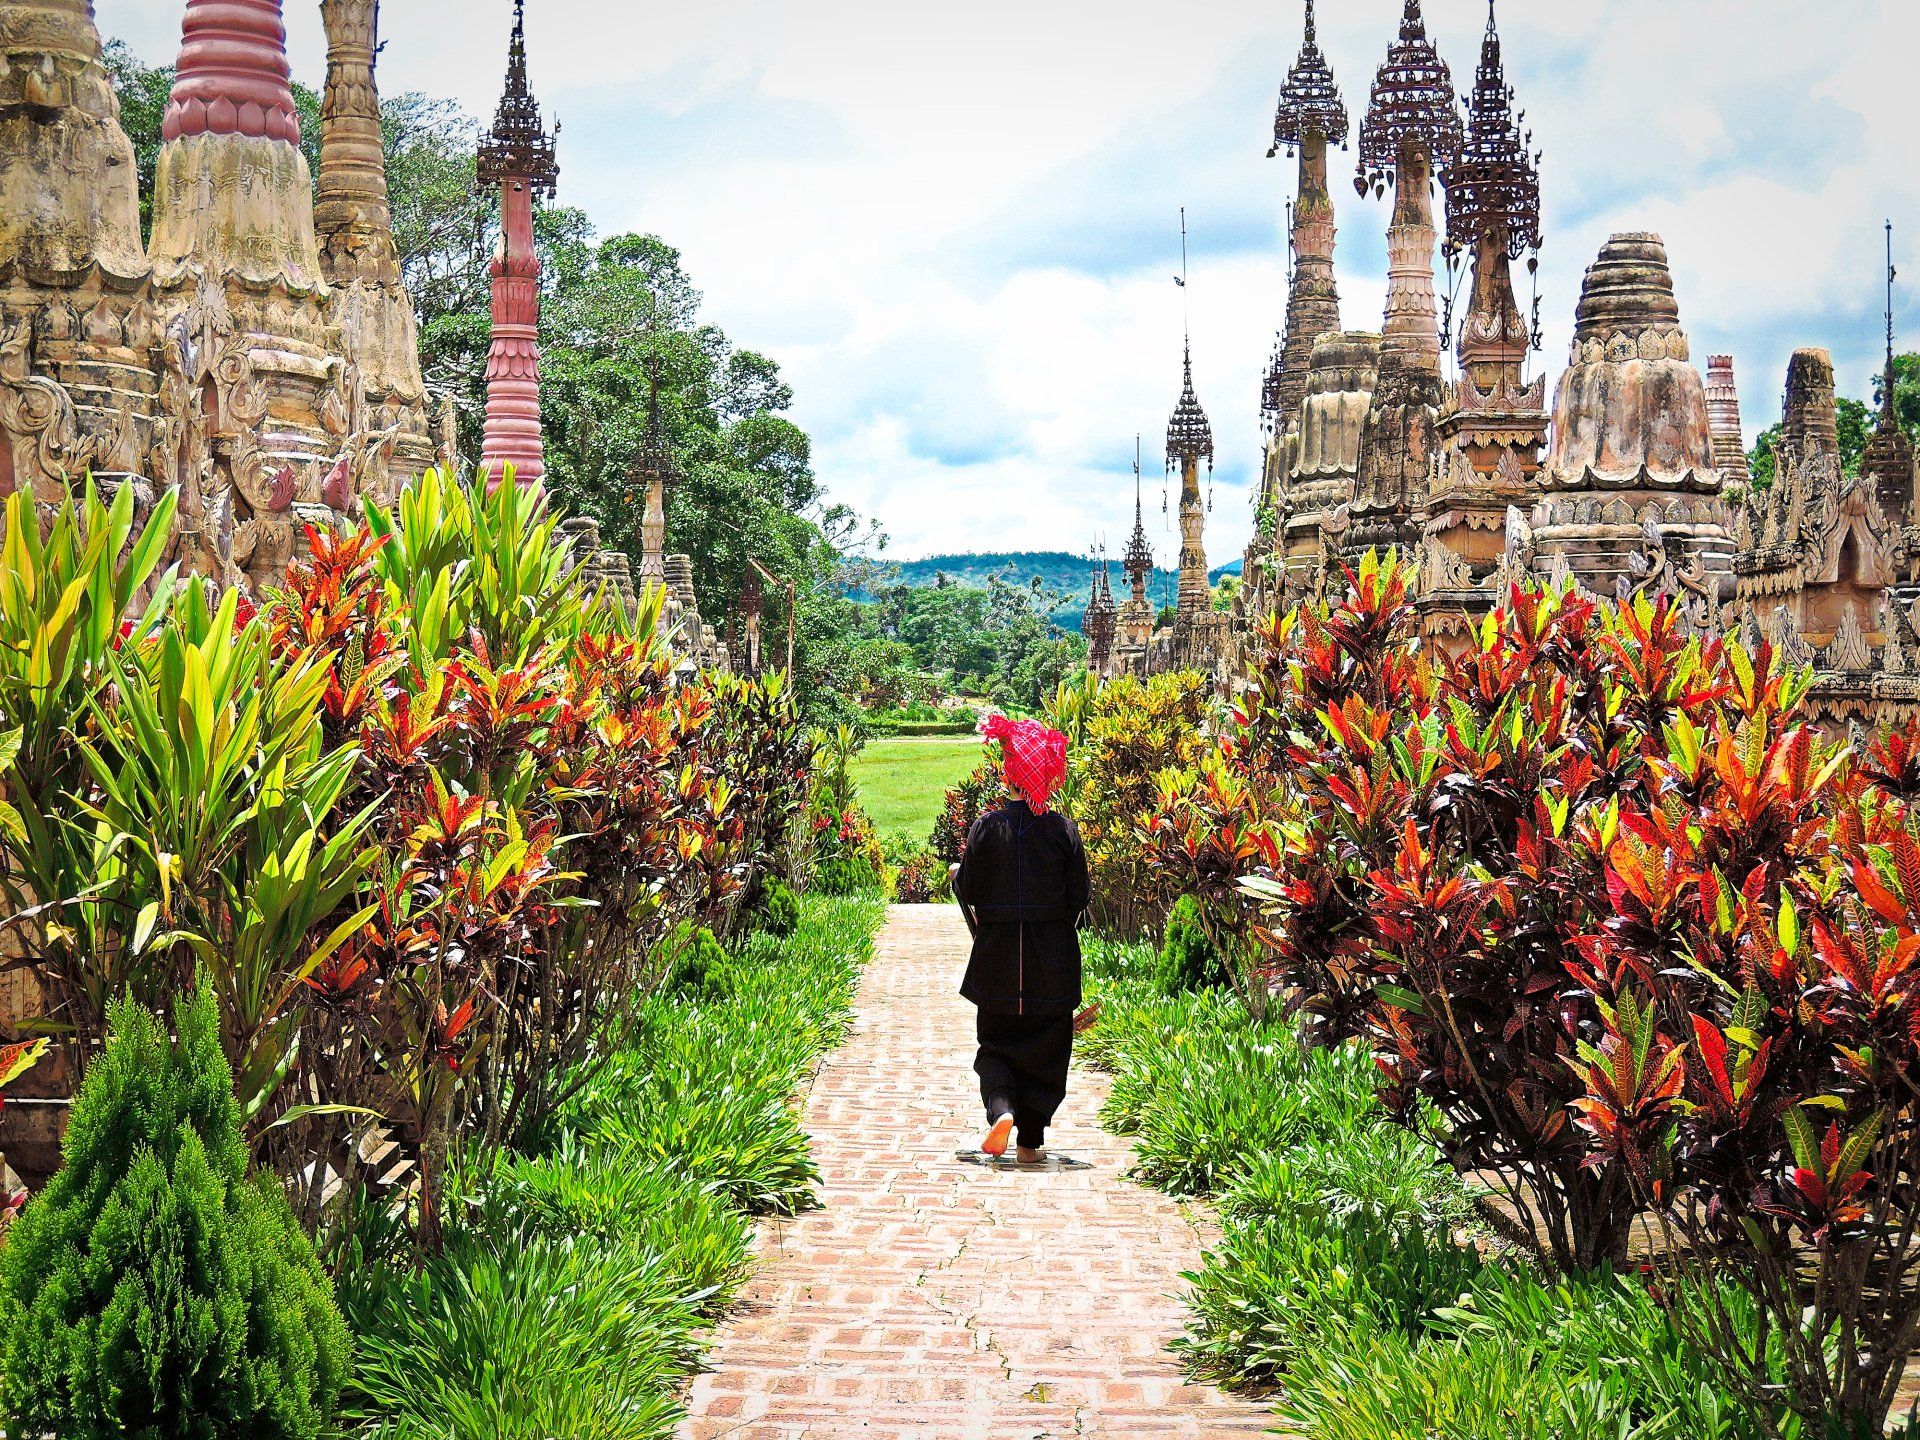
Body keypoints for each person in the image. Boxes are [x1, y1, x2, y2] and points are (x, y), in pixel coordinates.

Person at [953, 714, 1090, 1163]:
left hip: (996, 962)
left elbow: (969, 889)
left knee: (994, 1046)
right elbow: (1079, 898)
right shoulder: (1063, 832)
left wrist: (961, 880)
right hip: (1052, 963)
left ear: (1009, 773)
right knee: (1049, 1051)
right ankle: (1030, 1137)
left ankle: (1002, 1109)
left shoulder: (985, 828)